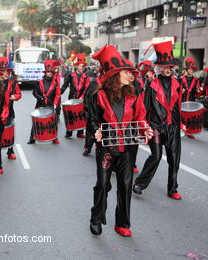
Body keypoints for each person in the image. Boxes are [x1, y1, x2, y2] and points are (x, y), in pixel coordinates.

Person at [89, 45, 153, 237]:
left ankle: (122, 223)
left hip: (127, 148)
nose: (132, 75)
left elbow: (140, 117)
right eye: (127, 72)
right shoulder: (99, 95)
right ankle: (96, 217)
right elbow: (92, 119)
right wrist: (96, 132)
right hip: (106, 148)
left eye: (132, 72)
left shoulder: (134, 95)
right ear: (115, 75)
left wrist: (146, 128)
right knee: (103, 184)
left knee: (125, 186)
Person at [133, 41, 185, 200]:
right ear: (159, 68)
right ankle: (140, 184)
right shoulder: (151, 84)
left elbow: (178, 105)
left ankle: (172, 189)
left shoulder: (177, 84)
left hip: (173, 126)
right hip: (155, 126)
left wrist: (181, 123)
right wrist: (143, 126)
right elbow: (144, 107)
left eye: (170, 67)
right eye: (165, 67)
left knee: (174, 158)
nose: (168, 69)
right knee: (156, 156)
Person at [28, 60, 61, 144]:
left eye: (51, 72)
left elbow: (58, 94)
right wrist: (40, 98)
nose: (49, 73)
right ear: (45, 73)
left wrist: (55, 103)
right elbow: (34, 92)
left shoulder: (55, 83)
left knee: (52, 121)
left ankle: (54, 138)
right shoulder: (39, 82)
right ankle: (32, 138)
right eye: (48, 72)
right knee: (36, 121)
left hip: (50, 104)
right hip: (40, 104)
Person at [0, 54, 21, 160]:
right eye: (4, 71)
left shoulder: (13, 83)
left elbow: (19, 94)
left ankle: (10, 151)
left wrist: (14, 96)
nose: (6, 74)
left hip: (9, 112)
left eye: (7, 72)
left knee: (9, 131)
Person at [61, 53, 91, 138]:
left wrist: (82, 97)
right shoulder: (70, 75)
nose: (81, 67)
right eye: (80, 65)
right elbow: (65, 85)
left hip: (81, 99)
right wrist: (59, 93)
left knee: (81, 115)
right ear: (76, 66)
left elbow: (87, 88)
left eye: (83, 66)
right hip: (71, 98)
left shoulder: (86, 76)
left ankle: (80, 132)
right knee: (71, 115)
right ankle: (69, 132)